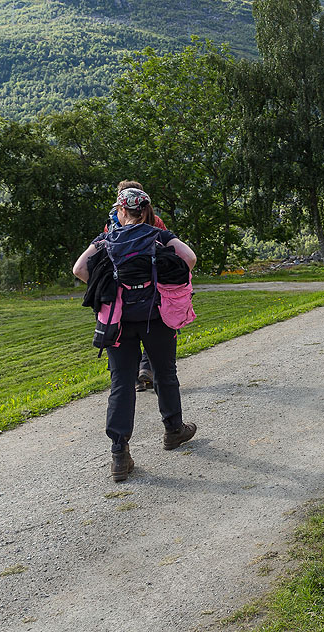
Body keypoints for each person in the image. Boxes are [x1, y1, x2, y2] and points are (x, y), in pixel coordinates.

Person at [74, 188, 198, 482]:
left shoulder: (105, 239)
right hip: (156, 318)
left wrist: (108, 284)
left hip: (117, 321)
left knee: (121, 384)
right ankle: (173, 430)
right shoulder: (158, 236)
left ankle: (119, 454)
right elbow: (190, 259)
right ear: (146, 211)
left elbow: (79, 269)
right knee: (165, 374)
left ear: (121, 210)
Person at [104, 180, 168, 393]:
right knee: (155, 332)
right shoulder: (156, 222)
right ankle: (150, 372)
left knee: (122, 336)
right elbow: (171, 253)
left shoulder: (110, 225)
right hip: (150, 287)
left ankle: (134, 379)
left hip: (120, 292)